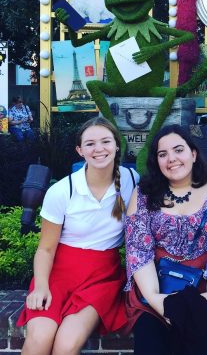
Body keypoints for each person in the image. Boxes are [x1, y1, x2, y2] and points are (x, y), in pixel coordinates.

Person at [18, 116, 139, 355]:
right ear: (80, 150)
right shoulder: (62, 190)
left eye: (105, 141)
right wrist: (40, 286)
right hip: (59, 272)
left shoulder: (133, 181)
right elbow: (45, 249)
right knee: (39, 340)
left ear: (117, 145)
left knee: (67, 344)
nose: (99, 149)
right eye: (90, 144)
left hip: (102, 276)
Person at [124, 124, 207, 355]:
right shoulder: (144, 194)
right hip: (154, 285)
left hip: (204, 286)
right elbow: (139, 251)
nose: (172, 159)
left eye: (179, 150)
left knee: (196, 344)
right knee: (150, 346)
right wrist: (160, 302)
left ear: (193, 154)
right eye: (162, 154)